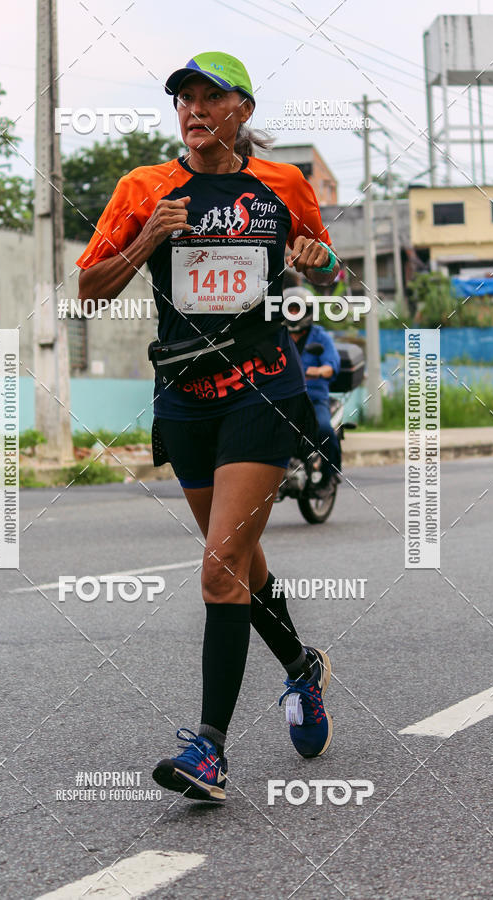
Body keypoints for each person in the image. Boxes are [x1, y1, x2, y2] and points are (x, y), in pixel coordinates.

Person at [77, 51, 340, 802]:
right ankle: (300, 666)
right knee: (240, 563)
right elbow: (90, 289)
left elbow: (322, 264)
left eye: (209, 98)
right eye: (183, 100)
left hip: (263, 389)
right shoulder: (145, 189)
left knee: (220, 568)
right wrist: (144, 241)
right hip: (184, 398)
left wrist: (318, 260)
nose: (193, 111)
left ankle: (210, 752)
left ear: (243, 112)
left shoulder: (283, 185)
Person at [285, 290, 342, 489]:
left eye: (296, 309)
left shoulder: (320, 337)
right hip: (283, 398)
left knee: (325, 430)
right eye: (289, 309)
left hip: (314, 399)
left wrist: (316, 371)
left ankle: (330, 475)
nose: (293, 313)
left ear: (307, 312)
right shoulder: (278, 335)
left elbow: (331, 366)